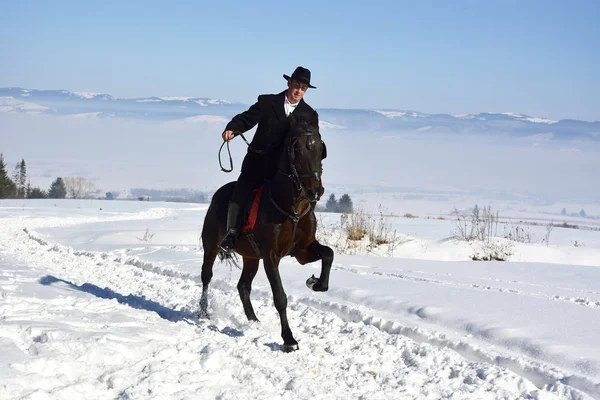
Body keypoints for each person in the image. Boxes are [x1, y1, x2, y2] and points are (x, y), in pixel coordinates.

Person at [218, 66, 318, 254]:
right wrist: (232, 128)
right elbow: (246, 118)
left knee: (309, 196)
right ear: (289, 83)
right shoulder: (267, 102)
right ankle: (231, 234)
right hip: (258, 162)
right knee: (241, 191)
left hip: (287, 170)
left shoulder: (309, 114)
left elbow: (311, 140)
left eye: (303, 88)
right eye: (296, 85)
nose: (299, 91)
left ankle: (304, 239)